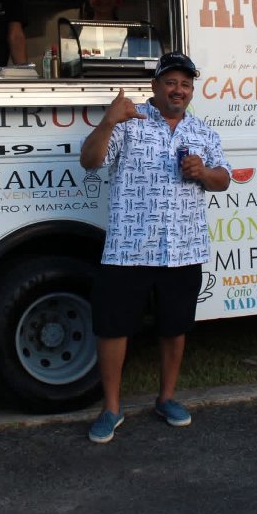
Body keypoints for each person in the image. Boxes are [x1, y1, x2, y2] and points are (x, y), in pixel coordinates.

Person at [78, 51, 232, 443]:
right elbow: (89, 161)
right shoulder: (129, 124)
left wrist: (203, 173)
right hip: (129, 248)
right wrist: (109, 119)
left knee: (173, 328)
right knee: (113, 329)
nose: (178, 90)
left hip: (183, 249)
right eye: (170, 82)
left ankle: (167, 398)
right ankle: (111, 408)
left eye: (185, 84)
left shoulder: (203, 132)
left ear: (191, 90)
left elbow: (224, 180)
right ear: (155, 87)